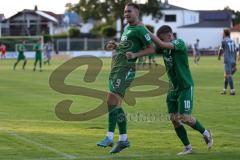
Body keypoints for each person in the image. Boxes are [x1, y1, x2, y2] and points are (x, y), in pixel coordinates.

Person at [127, 25, 213, 155]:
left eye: (163, 39)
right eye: (160, 39)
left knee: (185, 118)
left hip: (185, 86)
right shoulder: (164, 48)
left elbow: (160, 43)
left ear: (170, 35)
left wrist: (144, 29)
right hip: (173, 88)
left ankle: (206, 132)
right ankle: (188, 147)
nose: (161, 42)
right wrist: (130, 50)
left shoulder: (179, 43)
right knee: (173, 118)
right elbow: (149, 48)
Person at [96, 3, 155, 154]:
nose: (126, 14)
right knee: (116, 104)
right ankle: (123, 139)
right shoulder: (127, 28)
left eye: (129, 11)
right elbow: (126, 46)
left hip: (126, 70)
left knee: (111, 101)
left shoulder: (140, 29)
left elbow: (151, 48)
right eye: (124, 12)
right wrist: (115, 45)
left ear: (137, 12)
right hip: (116, 69)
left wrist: (135, 55)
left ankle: (109, 137)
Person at [218, 29, 237, 95]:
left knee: (228, 75)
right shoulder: (233, 41)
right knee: (226, 75)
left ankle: (232, 90)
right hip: (233, 60)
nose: (222, 34)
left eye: (223, 33)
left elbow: (220, 50)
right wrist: (235, 62)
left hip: (227, 60)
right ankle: (224, 90)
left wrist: (219, 56)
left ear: (225, 34)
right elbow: (235, 51)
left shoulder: (223, 41)